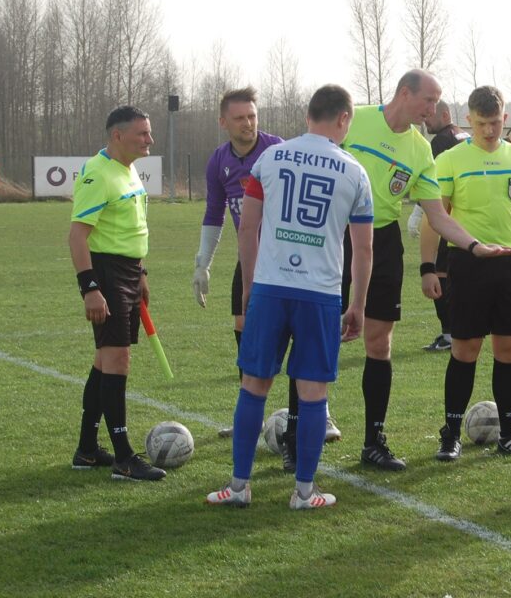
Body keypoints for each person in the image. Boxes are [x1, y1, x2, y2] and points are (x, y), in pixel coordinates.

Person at [206, 84, 374, 510]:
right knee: (313, 391)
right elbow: (364, 247)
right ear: (343, 120)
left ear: (306, 117)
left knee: (253, 386)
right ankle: (304, 492)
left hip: (270, 288)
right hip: (319, 293)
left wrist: (249, 288)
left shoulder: (269, 158)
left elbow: (248, 227)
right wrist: (357, 304)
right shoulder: (354, 171)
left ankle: (239, 487)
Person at [341, 69, 511, 471]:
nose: (433, 109)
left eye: (436, 102)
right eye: (429, 100)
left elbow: (437, 214)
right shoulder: (354, 120)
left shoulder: (420, 149)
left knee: (379, 344)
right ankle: (299, 434)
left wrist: (472, 244)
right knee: (318, 338)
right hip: (334, 237)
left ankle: (373, 441)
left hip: (382, 242)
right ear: (405, 93)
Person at [192, 87, 340, 462]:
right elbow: (214, 214)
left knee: (299, 348)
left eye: (253, 116)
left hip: (288, 265)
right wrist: (201, 263)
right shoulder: (218, 161)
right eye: (240, 118)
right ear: (224, 121)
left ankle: (301, 426)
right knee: (245, 333)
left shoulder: (277, 150)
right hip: (251, 260)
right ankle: (252, 412)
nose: (248, 124)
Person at [421, 85, 511, 462]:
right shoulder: (449, 160)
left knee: (509, 351)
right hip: (467, 263)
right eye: (481, 123)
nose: (488, 130)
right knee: (465, 349)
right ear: (469, 119)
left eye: (495, 122)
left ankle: (510, 433)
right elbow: (436, 219)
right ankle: (449, 434)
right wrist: (429, 268)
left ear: (505, 119)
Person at [68, 105, 165, 482]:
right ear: (117, 136)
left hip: (126, 272)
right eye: (142, 134)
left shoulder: (129, 170)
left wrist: (140, 271)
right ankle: (124, 458)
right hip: (105, 273)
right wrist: (89, 288)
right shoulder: (97, 173)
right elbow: (78, 235)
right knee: (117, 360)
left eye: (150, 132)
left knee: (103, 362)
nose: (149, 140)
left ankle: (87, 450)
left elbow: (130, 228)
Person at [411, 100, 470, 352]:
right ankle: (461, 330)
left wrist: (417, 211)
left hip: (446, 216)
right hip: (465, 215)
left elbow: (431, 186)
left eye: (431, 116)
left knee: (440, 273)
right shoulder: (464, 135)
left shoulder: (440, 141)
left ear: (445, 114)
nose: (426, 120)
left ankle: (450, 335)